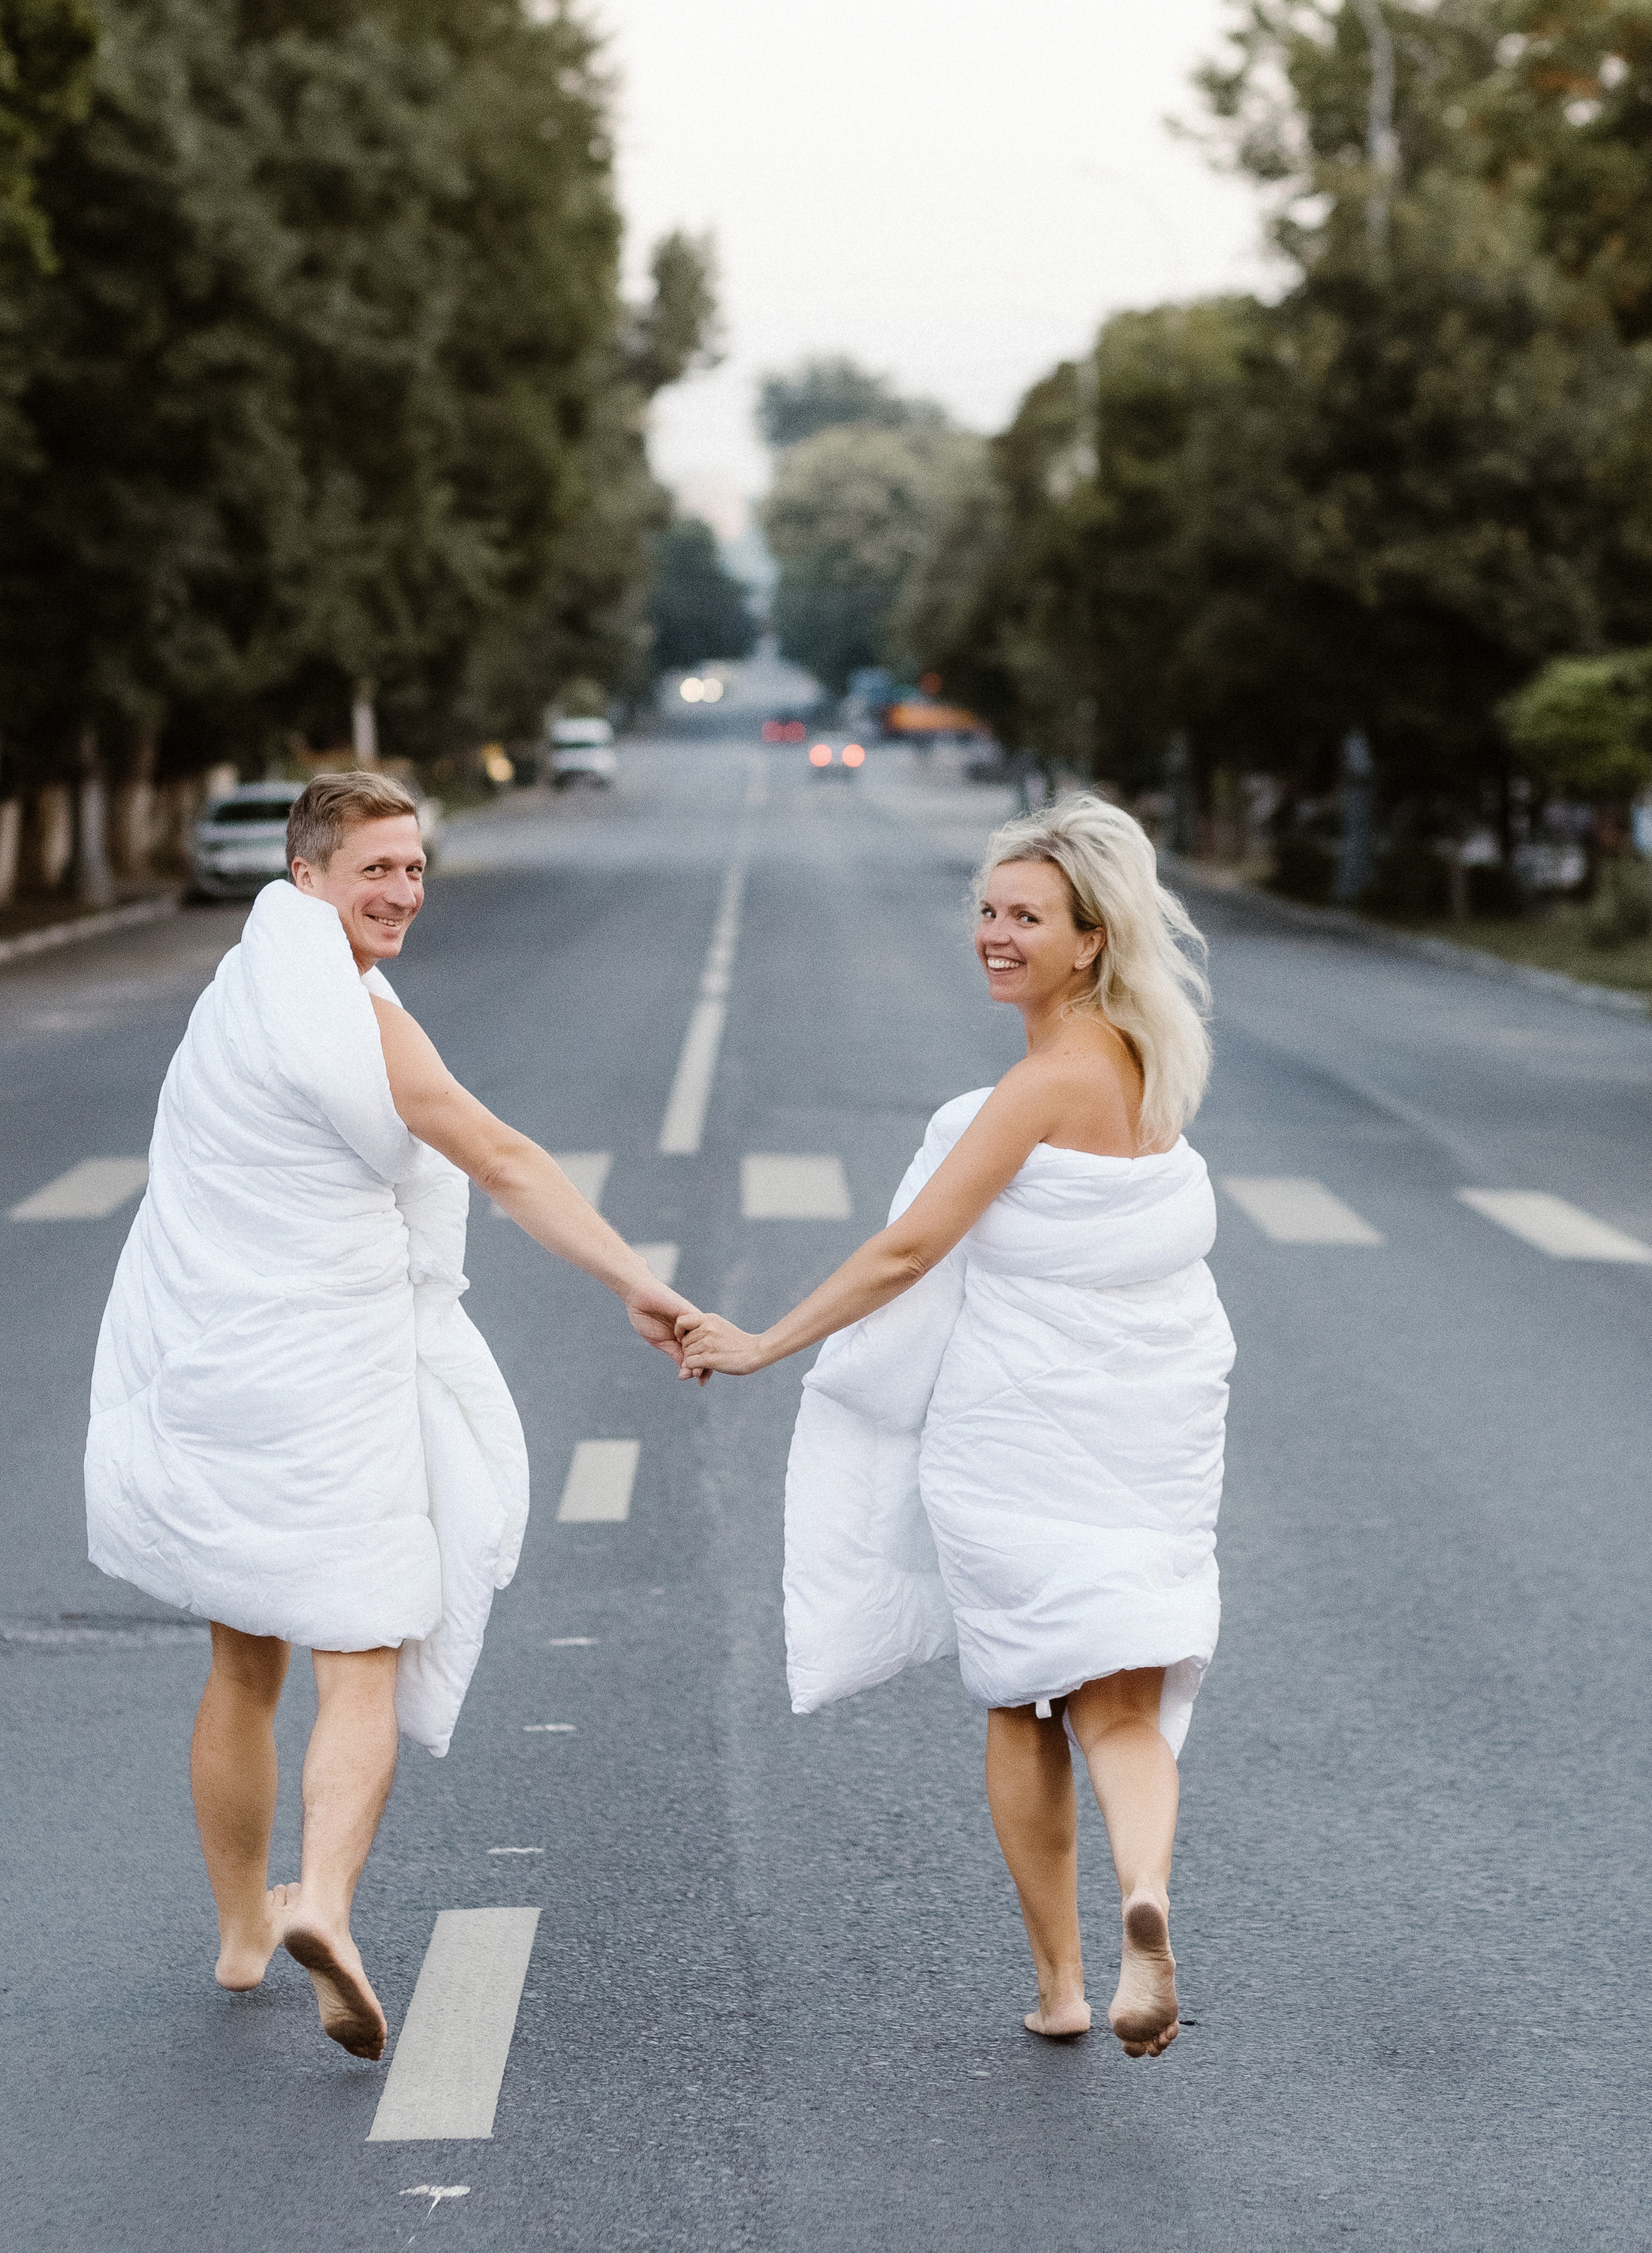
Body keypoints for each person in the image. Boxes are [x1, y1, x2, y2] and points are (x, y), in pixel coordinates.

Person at [85, 768, 686, 2059]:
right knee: (363, 1646)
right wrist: (635, 1280)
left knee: (243, 1660)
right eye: (376, 869)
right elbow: (501, 1155)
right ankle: (326, 1904)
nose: (404, 891)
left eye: (415, 868)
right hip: (327, 1374)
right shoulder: (362, 1024)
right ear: (306, 876)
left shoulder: (236, 999)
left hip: (214, 1367)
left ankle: (244, 1934)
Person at [676, 796, 1233, 2058]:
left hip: (1021, 1433)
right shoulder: (1149, 1067)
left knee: (1022, 1698)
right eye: (987, 909)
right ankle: (1146, 1889)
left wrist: (764, 1342)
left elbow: (912, 1249)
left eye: (1027, 916)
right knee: (1122, 1702)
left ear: (1090, 938)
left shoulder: (1041, 1084)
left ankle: (1064, 1985)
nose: (994, 933)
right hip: (1150, 1425)